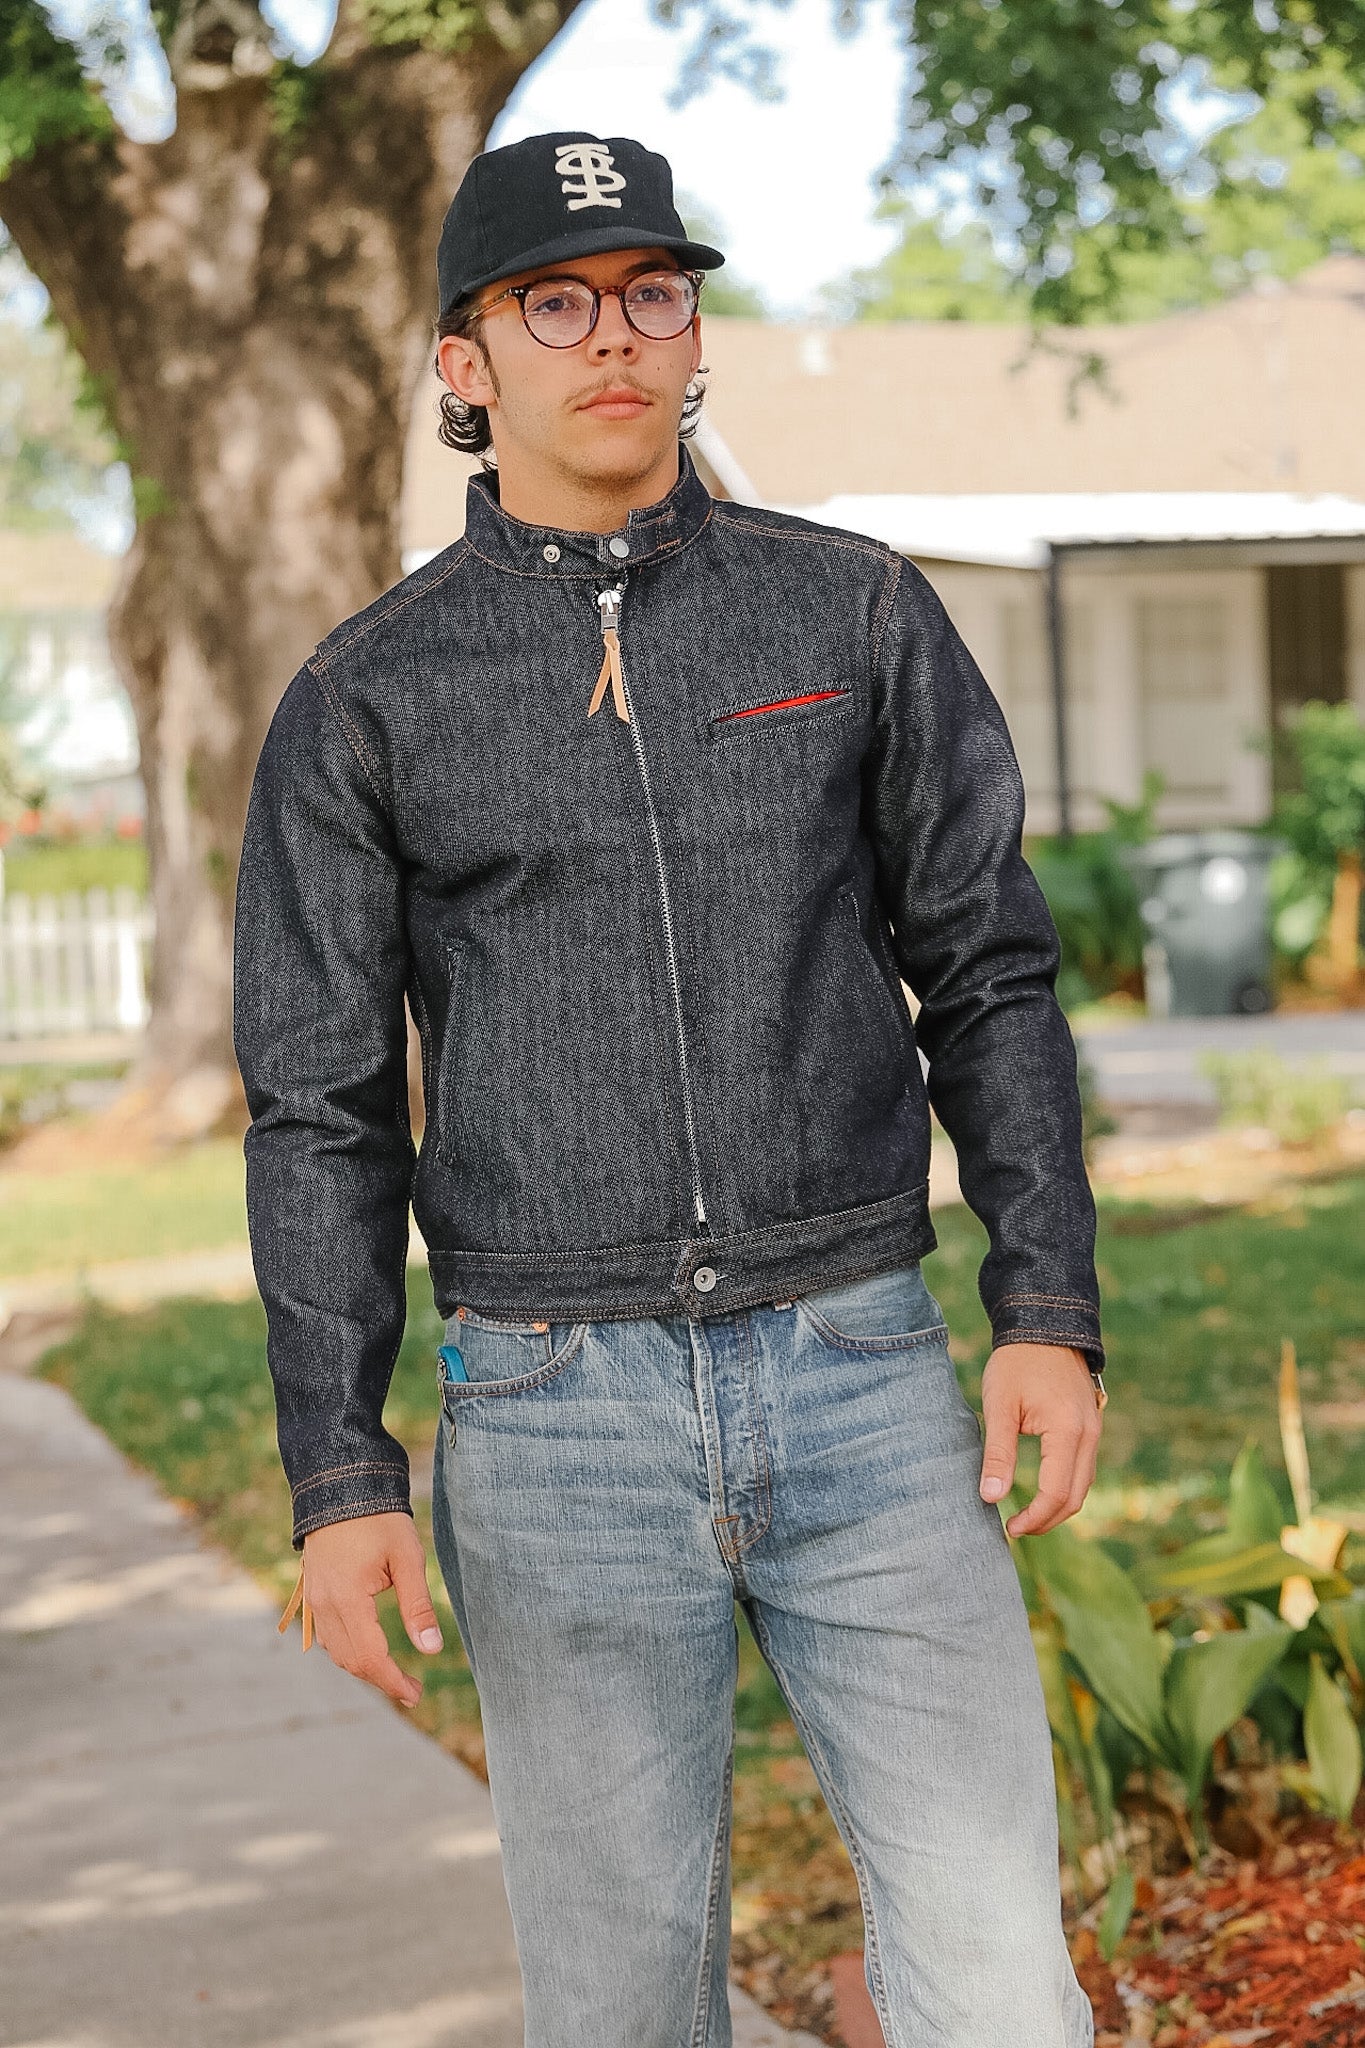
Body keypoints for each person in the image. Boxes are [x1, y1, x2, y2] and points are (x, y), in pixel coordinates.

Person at [233, 129, 1105, 2048]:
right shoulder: (369, 695)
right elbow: (318, 1108)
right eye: (553, 302)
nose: (613, 335)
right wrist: (338, 1475)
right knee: (623, 2010)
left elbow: (987, 971)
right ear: (464, 360)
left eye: (651, 291)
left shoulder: (849, 613)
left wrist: (1045, 1305)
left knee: (1002, 1990)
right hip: (554, 1418)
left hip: (865, 1375)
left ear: (695, 333)